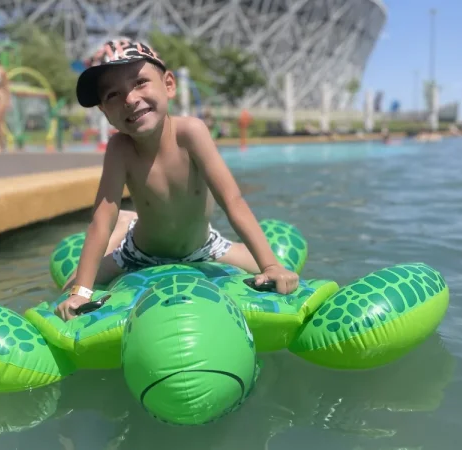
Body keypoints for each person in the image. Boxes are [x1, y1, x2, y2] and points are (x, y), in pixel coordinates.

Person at [55, 39, 299, 321]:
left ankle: (128, 220)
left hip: (204, 247)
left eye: (140, 82)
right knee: (70, 286)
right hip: (138, 252)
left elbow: (232, 200)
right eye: (112, 95)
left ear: (169, 85)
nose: (130, 99)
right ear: (104, 112)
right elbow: (102, 218)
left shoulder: (191, 133)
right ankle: (127, 224)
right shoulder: (120, 149)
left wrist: (270, 266)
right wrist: (81, 292)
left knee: (281, 271)